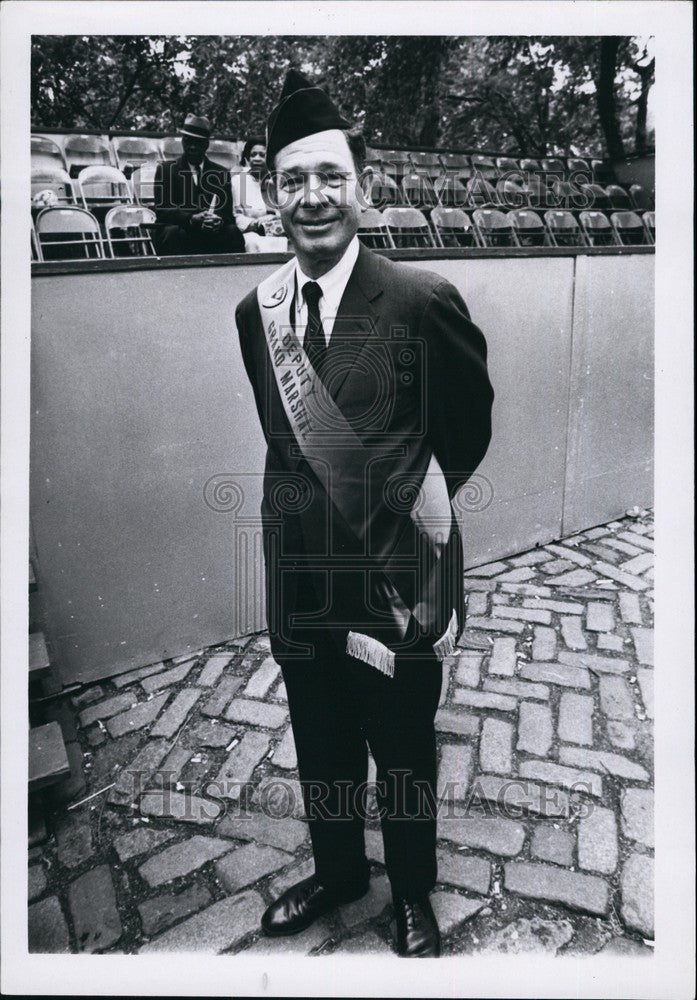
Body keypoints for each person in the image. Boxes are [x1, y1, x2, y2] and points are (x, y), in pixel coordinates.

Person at [235, 70, 494, 958]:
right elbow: (285, 443)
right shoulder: (254, 312)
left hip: (393, 576)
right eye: (293, 180)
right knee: (320, 739)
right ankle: (340, 871)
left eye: (330, 177)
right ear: (272, 195)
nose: (312, 197)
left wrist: (402, 534)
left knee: (401, 749)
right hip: (300, 583)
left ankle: (413, 893)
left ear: (363, 188)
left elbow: (463, 438)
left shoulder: (421, 301)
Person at [153, 114, 244, 256]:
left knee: (233, 232)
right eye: (188, 141)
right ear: (182, 141)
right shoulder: (166, 170)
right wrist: (191, 218)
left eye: (198, 142)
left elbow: (227, 214)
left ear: (207, 144)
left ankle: (231, 277)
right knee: (172, 233)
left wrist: (218, 221)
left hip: (211, 235)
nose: (192, 147)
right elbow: (163, 211)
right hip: (182, 230)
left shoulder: (221, 173)